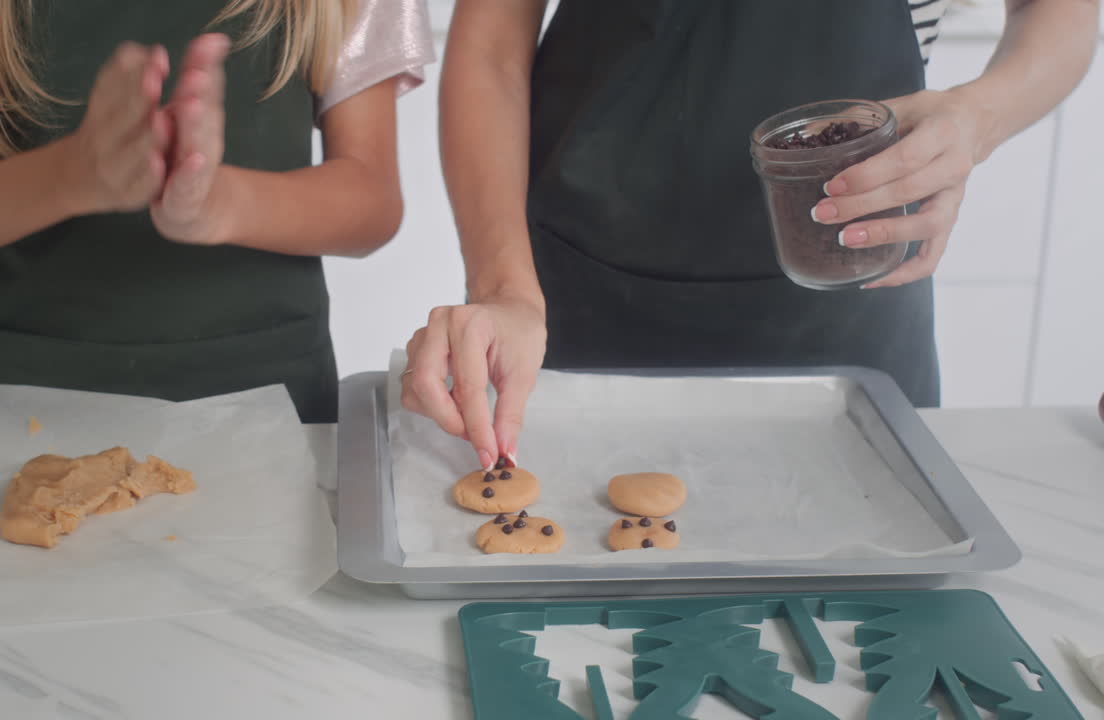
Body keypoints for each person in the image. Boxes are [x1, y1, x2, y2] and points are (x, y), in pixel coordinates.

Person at [401, 0, 1099, 469]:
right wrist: (502, 290)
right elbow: (492, 45)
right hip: (577, 300)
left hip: (851, 289)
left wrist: (978, 117)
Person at [0, 0, 433, 423]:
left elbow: (370, 203)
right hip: (3, 416)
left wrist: (217, 204)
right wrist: (70, 176)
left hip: (269, 407)